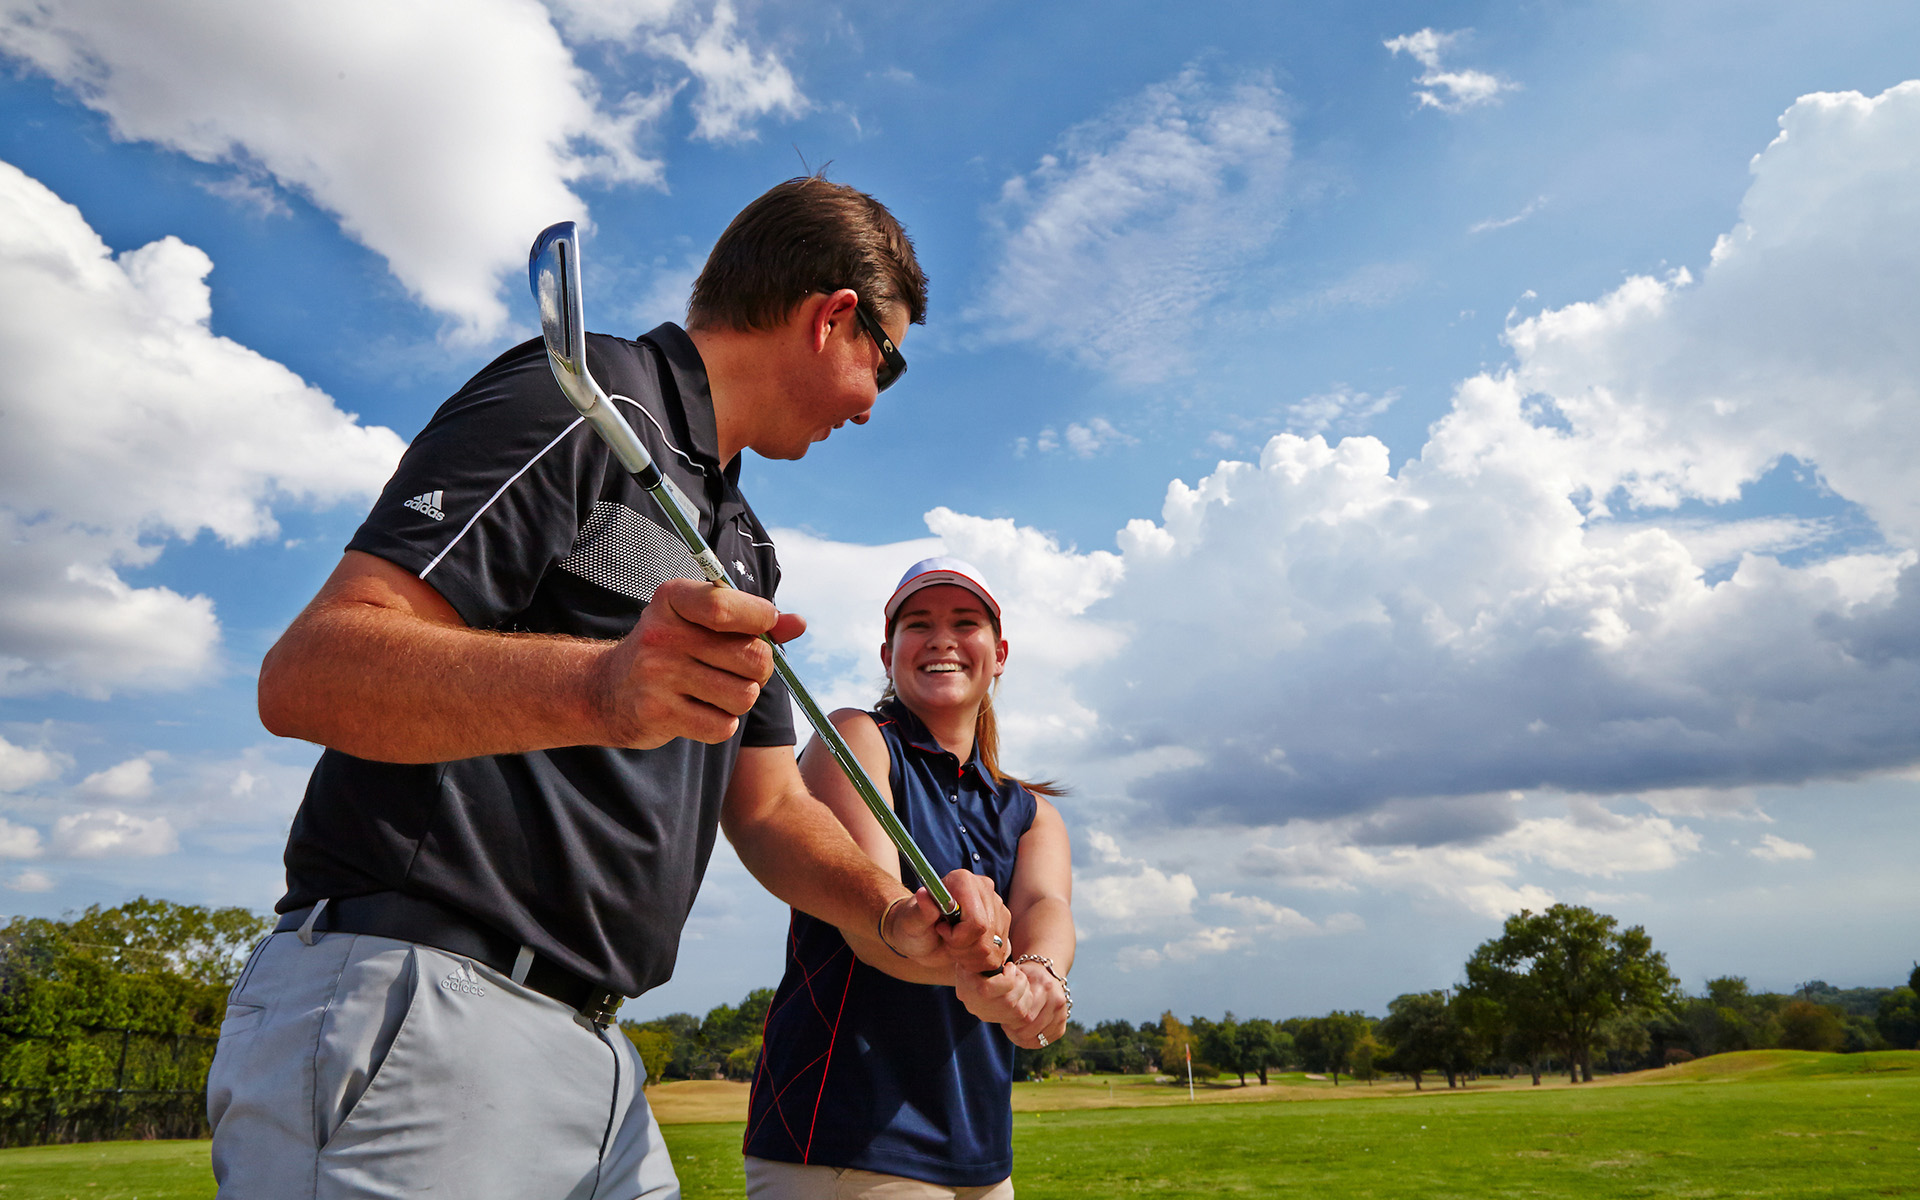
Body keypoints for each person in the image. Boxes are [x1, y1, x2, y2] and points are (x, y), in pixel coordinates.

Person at [206, 179, 1012, 1200]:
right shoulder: (578, 399)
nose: (870, 404)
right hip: (423, 996)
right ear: (833, 318)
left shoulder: (745, 545)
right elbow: (309, 672)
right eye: (883, 365)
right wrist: (602, 685)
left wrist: (892, 912)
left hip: (593, 1050)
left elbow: (768, 807)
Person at [743, 557, 1076, 1200]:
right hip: (846, 1136)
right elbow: (876, 928)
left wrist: (1041, 981)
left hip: (980, 1152)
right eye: (918, 624)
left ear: (999, 654)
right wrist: (1000, 984)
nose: (941, 639)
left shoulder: (1031, 812)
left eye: (965, 622)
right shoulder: (855, 736)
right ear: (888, 654)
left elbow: (1046, 906)